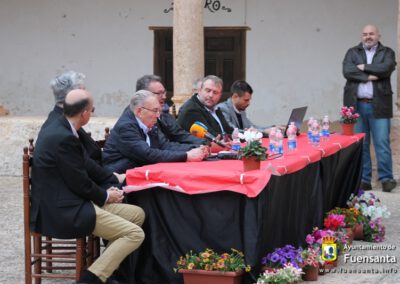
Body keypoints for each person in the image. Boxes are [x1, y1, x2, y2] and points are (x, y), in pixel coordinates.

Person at [31, 89, 145, 284]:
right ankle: (91, 280)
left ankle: (109, 272)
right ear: (84, 113)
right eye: (92, 110)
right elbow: (79, 182)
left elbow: (83, 168)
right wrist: (105, 196)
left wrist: (112, 182)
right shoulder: (63, 136)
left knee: (137, 214)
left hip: (71, 199)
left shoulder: (63, 126)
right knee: (135, 234)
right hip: (64, 209)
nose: (91, 113)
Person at [43, 70, 124, 188]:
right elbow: (84, 165)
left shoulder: (65, 117)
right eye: (83, 90)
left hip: (97, 176)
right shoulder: (61, 125)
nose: (87, 94)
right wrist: (113, 179)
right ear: (72, 96)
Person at [342, 24, 397, 192]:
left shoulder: (387, 52)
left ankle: (386, 179)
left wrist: (363, 67)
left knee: (382, 142)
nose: (368, 37)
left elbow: (386, 68)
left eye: (371, 34)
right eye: (365, 34)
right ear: (361, 36)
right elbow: (347, 71)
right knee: (362, 144)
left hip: (379, 104)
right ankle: (364, 179)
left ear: (378, 35)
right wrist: (371, 76)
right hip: (356, 104)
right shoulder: (353, 52)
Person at [103, 90, 207, 174]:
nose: (158, 115)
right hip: (119, 178)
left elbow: (165, 146)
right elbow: (147, 154)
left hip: (142, 172)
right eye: (155, 111)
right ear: (139, 111)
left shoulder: (147, 121)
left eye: (159, 111)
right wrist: (187, 155)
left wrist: (197, 148)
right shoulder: (126, 127)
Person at [135, 74, 205, 146]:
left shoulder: (164, 114)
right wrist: (192, 150)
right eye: (159, 93)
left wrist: (205, 143)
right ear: (144, 94)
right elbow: (163, 146)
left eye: (164, 93)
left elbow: (180, 135)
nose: (164, 97)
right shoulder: (134, 120)